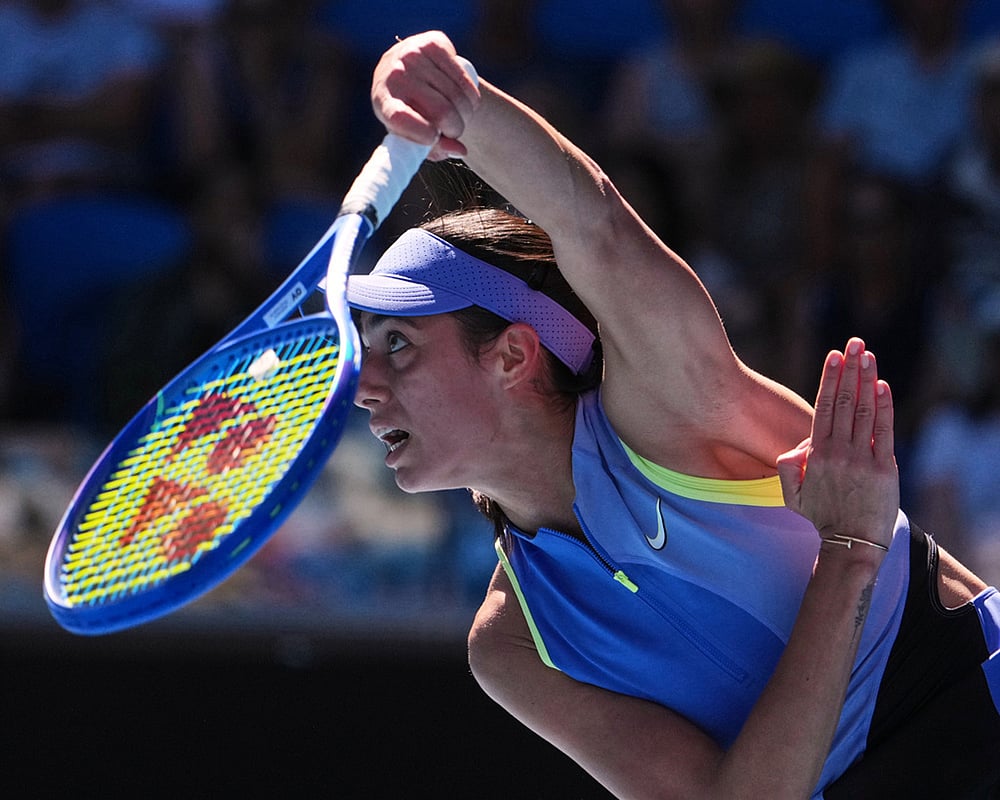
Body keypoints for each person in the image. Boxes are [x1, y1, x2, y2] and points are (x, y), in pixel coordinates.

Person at [345, 31, 1000, 798]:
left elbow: (597, 226)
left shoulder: (665, 408)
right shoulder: (509, 646)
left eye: (399, 344)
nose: (365, 386)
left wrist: (462, 102)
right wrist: (847, 555)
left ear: (514, 354)